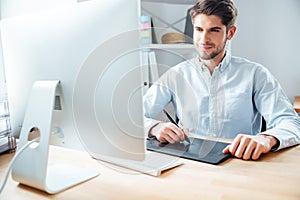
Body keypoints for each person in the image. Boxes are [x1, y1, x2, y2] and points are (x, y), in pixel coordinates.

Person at [143, 0, 300, 160]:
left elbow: (291, 123)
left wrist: (266, 138)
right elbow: (132, 118)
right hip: (189, 164)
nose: (204, 39)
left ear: (230, 33)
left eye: (214, 30)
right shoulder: (175, 75)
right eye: (199, 29)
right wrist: (154, 127)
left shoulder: (255, 74)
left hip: (240, 161)